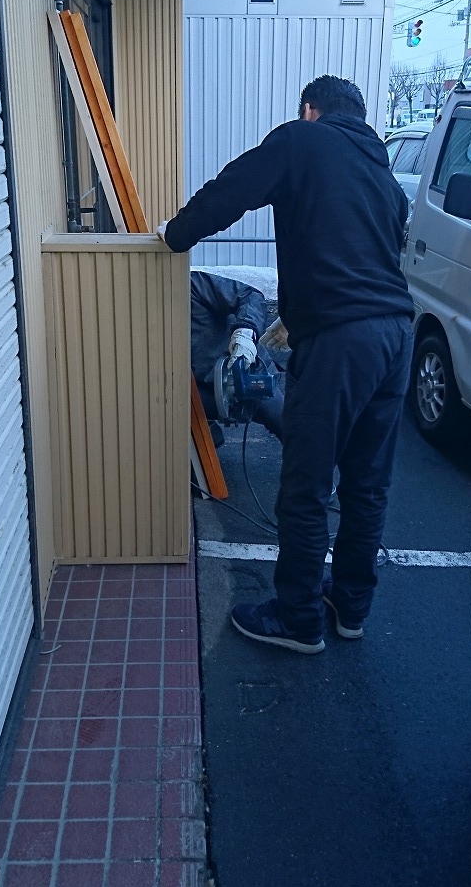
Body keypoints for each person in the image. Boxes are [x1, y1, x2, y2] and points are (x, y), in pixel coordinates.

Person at [159, 75, 414, 655]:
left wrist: (176, 235)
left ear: (309, 110)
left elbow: (233, 189)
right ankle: (350, 605)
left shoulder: (302, 139)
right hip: (396, 335)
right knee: (367, 485)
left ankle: (298, 617)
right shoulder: (383, 175)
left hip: (340, 337)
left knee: (307, 482)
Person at [190, 270, 284, 443]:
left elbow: (250, 295)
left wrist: (245, 333)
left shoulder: (192, 284)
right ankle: (208, 435)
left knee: (288, 428)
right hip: (196, 390)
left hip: (245, 373)